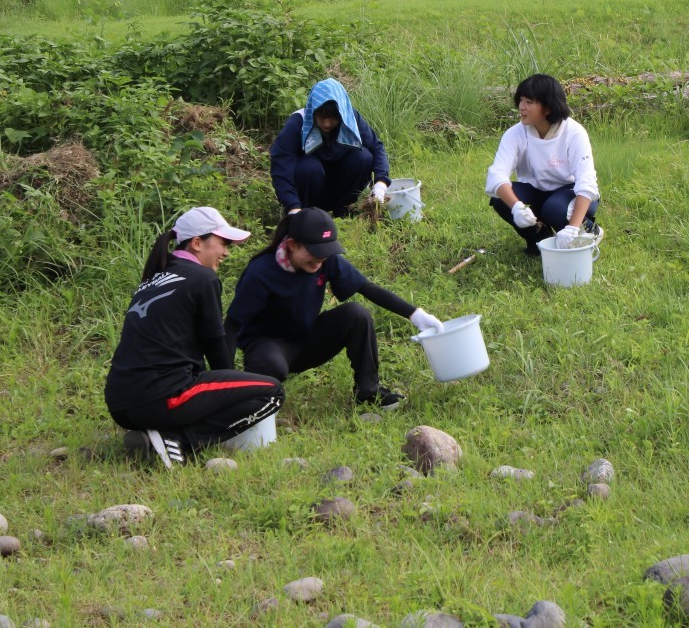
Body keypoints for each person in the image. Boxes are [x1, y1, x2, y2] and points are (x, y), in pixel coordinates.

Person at [105, 207, 284, 469]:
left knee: (207, 386)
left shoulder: (153, 279)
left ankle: (153, 433)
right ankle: (178, 439)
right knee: (272, 392)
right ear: (197, 243)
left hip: (120, 402)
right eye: (223, 243)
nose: (226, 253)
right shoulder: (203, 278)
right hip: (162, 396)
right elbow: (215, 344)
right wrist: (230, 396)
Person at [224, 208, 444, 410]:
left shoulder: (324, 260)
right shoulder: (261, 272)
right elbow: (232, 326)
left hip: (307, 339)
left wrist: (415, 314)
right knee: (271, 364)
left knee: (356, 314)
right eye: (314, 251)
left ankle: (369, 391)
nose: (320, 259)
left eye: (325, 252)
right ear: (291, 244)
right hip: (268, 347)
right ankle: (259, 403)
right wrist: (224, 379)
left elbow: (367, 288)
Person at [486, 73, 601, 256]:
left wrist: (572, 227)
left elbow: (586, 183)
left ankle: (587, 230)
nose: (522, 107)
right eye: (521, 100)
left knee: (553, 209)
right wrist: (516, 207)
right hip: (537, 191)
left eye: (529, 102)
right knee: (501, 198)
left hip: (570, 193)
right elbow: (497, 174)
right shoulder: (515, 133)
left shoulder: (574, 132)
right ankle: (540, 241)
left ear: (548, 107)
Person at [270, 78, 390, 217]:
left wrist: (380, 184)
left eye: (333, 118)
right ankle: (306, 214)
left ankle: (343, 209)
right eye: (322, 118)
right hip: (311, 185)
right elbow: (281, 166)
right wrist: (292, 206)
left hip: (339, 184)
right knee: (309, 167)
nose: (327, 124)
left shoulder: (350, 118)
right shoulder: (298, 123)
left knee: (363, 157)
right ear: (313, 112)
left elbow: (376, 147)